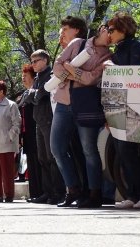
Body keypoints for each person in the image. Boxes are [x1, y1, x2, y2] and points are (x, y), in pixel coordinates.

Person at [51, 25, 111, 208]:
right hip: (63, 103)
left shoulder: (108, 56)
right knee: (57, 148)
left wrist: (71, 71)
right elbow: (57, 65)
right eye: (110, 31)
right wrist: (72, 74)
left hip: (86, 106)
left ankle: (94, 193)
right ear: (101, 30)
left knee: (89, 150)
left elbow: (91, 79)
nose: (111, 36)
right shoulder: (78, 43)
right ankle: (73, 190)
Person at [104, 13, 140, 209]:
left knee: (130, 152)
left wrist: (112, 67)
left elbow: (134, 76)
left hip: (134, 107)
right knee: (122, 153)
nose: (109, 34)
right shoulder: (118, 49)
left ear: (123, 30)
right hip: (118, 107)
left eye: (112, 30)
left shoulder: (136, 47)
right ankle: (132, 195)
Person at [26, 50, 66, 204]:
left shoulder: (50, 76)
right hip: (39, 120)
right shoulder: (37, 78)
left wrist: (33, 94)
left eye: (35, 61)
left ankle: (58, 192)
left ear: (44, 60)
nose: (33, 64)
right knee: (42, 158)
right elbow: (34, 97)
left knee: (52, 158)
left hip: (49, 119)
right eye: (32, 61)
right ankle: (47, 192)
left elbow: (38, 96)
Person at [17, 65, 43, 202]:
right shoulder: (24, 94)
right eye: (22, 76)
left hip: (36, 132)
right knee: (31, 164)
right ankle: (34, 193)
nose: (23, 79)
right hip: (27, 135)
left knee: (39, 163)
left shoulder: (36, 93)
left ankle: (41, 192)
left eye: (25, 76)